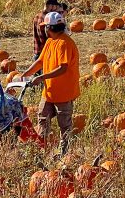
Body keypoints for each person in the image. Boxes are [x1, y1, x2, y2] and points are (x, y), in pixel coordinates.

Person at [22, 12, 81, 156]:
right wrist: (26, 74)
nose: (44, 30)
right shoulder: (50, 42)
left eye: (45, 27)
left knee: (64, 125)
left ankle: (64, 153)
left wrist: (41, 77)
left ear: (50, 27)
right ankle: (41, 149)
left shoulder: (65, 43)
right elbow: (40, 61)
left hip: (64, 93)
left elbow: (63, 67)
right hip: (49, 92)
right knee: (42, 118)